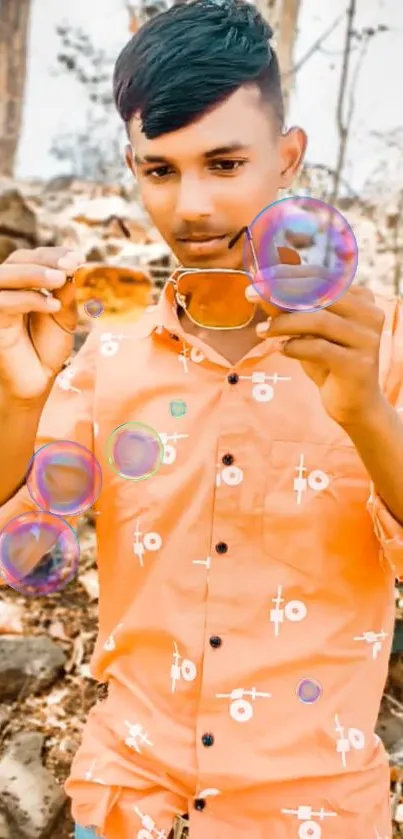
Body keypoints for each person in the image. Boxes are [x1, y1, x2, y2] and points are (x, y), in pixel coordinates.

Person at [0, 1, 402, 837]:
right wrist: (17, 399)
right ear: (132, 168)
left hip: (314, 812)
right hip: (125, 802)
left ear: (286, 158)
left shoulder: (384, 348)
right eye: (160, 170)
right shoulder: (103, 361)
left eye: (224, 164)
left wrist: (364, 411)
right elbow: (24, 547)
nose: (191, 207)